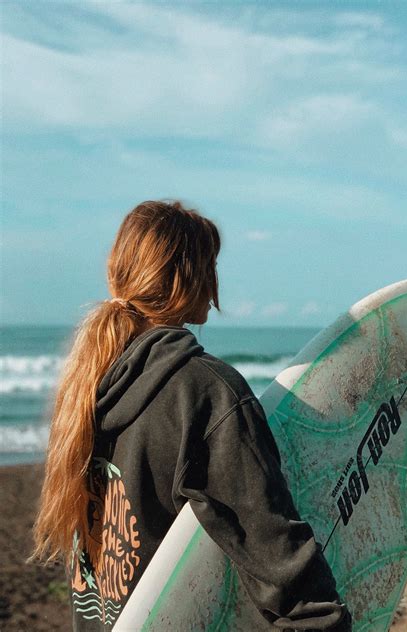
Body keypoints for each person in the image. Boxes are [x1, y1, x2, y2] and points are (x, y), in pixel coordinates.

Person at [29, 200, 352, 631]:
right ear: (190, 277)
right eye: (210, 265)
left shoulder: (86, 387)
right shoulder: (205, 391)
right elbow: (280, 559)